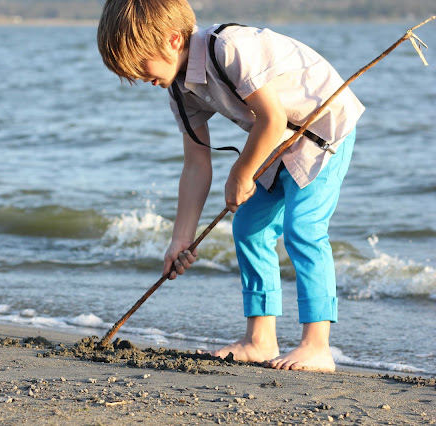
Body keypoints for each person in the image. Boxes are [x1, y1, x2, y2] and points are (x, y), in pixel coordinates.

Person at [97, 0, 364, 372]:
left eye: (140, 65)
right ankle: (260, 339)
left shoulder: (229, 48)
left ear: (173, 40)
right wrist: (181, 239)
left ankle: (317, 345)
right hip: (276, 143)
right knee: (249, 228)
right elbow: (195, 165)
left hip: (323, 131)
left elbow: (271, 118)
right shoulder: (178, 90)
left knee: (303, 229)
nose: (139, 77)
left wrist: (241, 172)